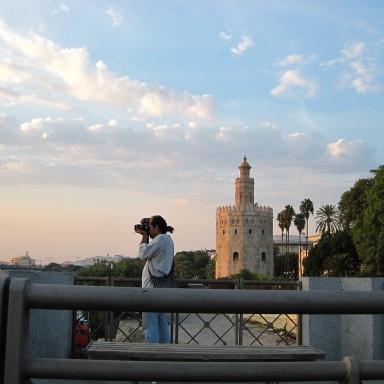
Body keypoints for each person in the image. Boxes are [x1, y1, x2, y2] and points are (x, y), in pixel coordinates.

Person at [135, 215, 175, 343]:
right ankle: (164, 352)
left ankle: (151, 355)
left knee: (150, 327)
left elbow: (142, 254)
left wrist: (144, 237)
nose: (148, 229)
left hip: (151, 290)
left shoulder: (161, 239)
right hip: (161, 288)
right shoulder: (167, 240)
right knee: (161, 322)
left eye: (150, 227)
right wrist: (148, 224)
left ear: (156, 228)